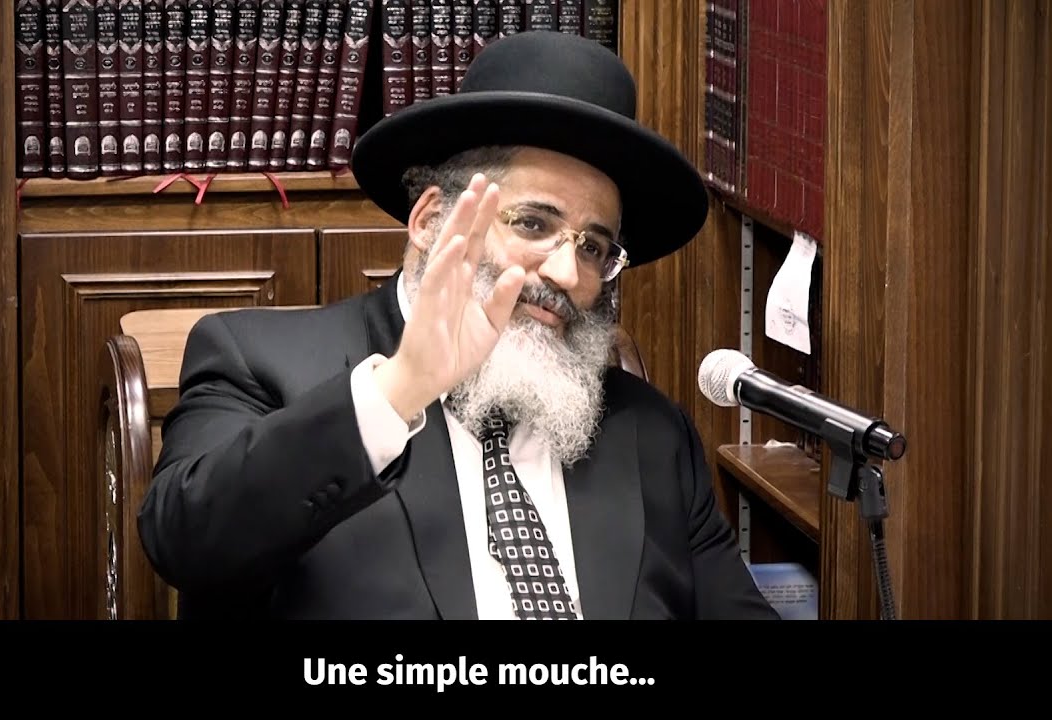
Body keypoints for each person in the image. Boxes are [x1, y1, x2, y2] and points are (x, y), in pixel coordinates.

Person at [137, 30, 779, 621]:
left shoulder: (651, 435)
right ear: (428, 222)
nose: (566, 272)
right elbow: (186, 545)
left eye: (592, 247)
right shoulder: (259, 361)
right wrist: (399, 391)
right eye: (533, 223)